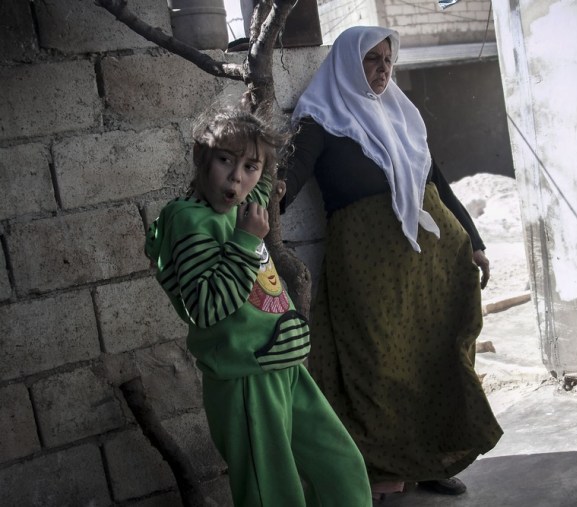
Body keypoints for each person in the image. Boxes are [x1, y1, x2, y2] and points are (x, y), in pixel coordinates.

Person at [279, 26, 503, 499]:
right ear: (345, 63)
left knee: (433, 363)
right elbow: (288, 181)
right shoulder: (320, 119)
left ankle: (431, 461)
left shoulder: (402, 114)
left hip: (431, 267)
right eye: (370, 60)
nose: (382, 70)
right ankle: (379, 471)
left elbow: (435, 184)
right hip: (368, 270)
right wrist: (250, 204)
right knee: (377, 369)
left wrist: (476, 241)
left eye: (387, 60)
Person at [144, 99, 372, 507]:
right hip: (246, 378)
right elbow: (206, 306)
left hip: (284, 367)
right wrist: (248, 241)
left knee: (342, 468)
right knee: (273, 493)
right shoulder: (189, 221)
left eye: (249, 167)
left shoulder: (239, 203)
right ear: (200, 156)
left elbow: (259, 180)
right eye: (224, 161)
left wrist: (269, 178)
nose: (236, 179)